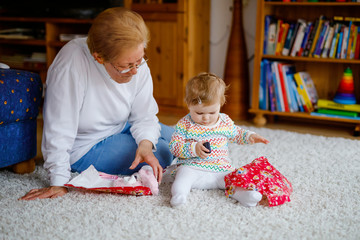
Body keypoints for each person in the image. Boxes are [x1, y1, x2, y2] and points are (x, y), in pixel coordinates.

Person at [20, 7, 174, 200]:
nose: (136, 71)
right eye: (126, 66)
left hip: (120, 125)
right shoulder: (71, 65)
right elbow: (58, 128)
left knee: (179, 137)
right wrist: (58, 181)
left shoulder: (134, 59)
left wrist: (144, 144)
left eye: (139, 61)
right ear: (99, 58)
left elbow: (144, 116)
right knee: (165, 153)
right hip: (86, 145)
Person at [168, 72, 270, 207]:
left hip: (221, 168)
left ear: (220, 104)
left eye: (212, 112)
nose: (206, 118)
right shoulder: (185, 124)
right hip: (193, 167)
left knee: (234, 179)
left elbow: (237, 133)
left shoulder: (224, 121)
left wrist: (250, 136)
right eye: (199, 113)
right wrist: (193, 148)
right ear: (188, 104)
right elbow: (174, 146)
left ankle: (247, 196)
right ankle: (179, 195)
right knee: (182, 178)